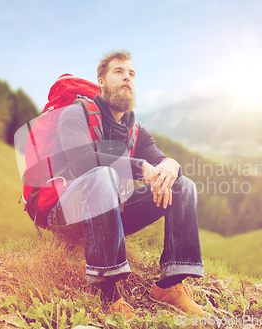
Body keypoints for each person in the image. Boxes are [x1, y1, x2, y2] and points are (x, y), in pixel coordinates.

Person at [44, 50, 204, 321]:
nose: (127, 78)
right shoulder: (75, 114)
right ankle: (107, 291)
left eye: (131, 74)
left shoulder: (136, 131)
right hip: (65, 213)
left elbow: (159, 160)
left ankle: (169, 286)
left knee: (183, 185)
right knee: (102, 174)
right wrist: (137, 166)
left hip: (109, 214)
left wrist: (169, 164)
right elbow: (83, 162)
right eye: (118, 72)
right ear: (102, 82)